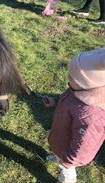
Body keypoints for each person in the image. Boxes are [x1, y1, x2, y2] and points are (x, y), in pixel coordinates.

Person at [43, 47, 105, 183]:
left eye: (72, 76)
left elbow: (85, 147)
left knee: (66, 171)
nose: (68, 76)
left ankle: (66, 179)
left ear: (87, 84)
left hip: (68, 155)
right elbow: (67, 98)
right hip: (60, 139)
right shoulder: (77, 90)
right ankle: (56, 154)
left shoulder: (92, 116)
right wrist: (55, 101)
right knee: (57, 149)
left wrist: (69, 160)